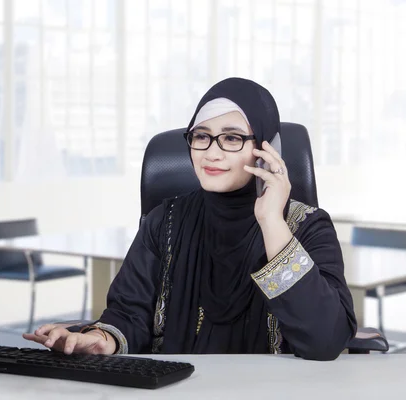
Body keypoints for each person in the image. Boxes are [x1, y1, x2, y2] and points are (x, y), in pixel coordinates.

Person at [23, 77, 357, 361]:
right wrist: (101, 339)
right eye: (201, 136)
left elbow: (325, 339)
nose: (211, 152)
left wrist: (272, 222)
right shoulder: (164, 223)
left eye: (231, 137)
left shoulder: (307, 227)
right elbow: (129, 312)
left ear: (269, 149)